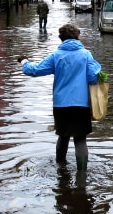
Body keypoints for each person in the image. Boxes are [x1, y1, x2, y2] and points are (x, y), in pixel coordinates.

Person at [17, 24, 101, 171]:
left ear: (61, 38)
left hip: (61, 104)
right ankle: (82, 178)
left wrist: (24, 61)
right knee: (80, 139)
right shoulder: (86, 55)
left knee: (63, 136)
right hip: (81, 104)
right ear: (77, 37)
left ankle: (60, 171)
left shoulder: (56, 56)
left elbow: (35, 70)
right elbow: (93, 78)